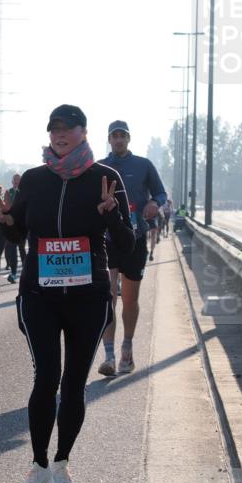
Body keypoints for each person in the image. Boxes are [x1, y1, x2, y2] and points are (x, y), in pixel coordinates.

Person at [0, 104, 134, 483]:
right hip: (39, 296)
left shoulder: (106, 178)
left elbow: (126, 245)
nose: (59, 135)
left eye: (67, 129)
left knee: (74, 383)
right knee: (46, 378)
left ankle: (62, 464)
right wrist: (5, 219)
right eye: (53, 129)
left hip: (89, 297)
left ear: (84, 132)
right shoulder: (35, 179)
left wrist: (110, 217)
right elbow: (18, 233)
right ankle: (37, 468)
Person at [97, 120, 167, 376]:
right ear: (109, 139)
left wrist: (153, 204)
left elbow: (160, 193)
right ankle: (109, 356)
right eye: (114, 136)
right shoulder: (100, 167)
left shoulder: (143, 165)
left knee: (130, 298)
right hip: (107, 240)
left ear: (128, 139)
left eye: (122, 136)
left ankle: (127, 348)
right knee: (108, 297)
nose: (118, 140)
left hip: (136, 238)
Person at [4, 172, 27, 282]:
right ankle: (13, 273)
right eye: (15, 180)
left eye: (19, 179)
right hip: (11, 225)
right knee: (12, 249)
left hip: (22, 225)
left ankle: (25, 270)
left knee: (22, 249)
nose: (17, 181)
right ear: (12, 181)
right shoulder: (9, 192)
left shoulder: (25, 192)